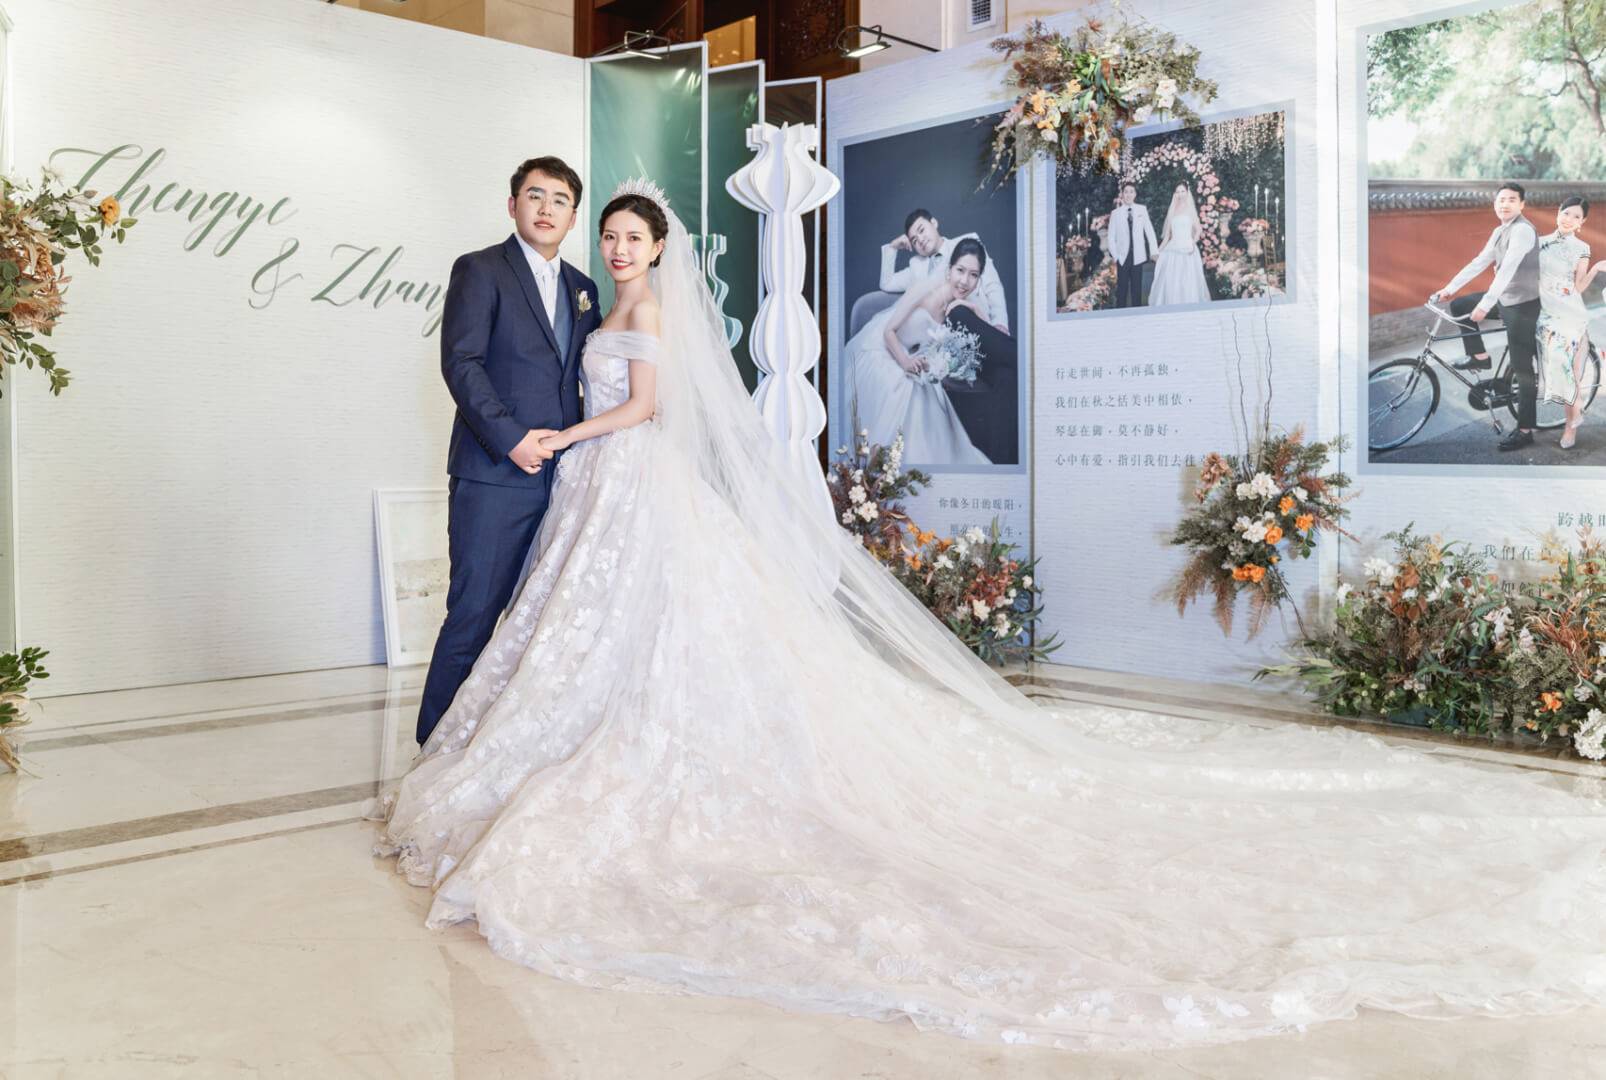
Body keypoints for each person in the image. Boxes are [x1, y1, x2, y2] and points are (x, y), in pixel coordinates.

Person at [374, 177, 1606, 1053]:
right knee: (568, 628)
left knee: (642, 632)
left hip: (610, 469)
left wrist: (570, 432)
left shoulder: (642, 310)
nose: (618, 246)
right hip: (581, 483)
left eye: (631, 233)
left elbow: (646, 411)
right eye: (609, 231)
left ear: (657, 247)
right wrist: (562, 439)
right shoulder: (577, 294)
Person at [415, 156, 602, 745]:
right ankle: (434, 748)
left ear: (573, 216)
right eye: (535, 196)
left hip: (565, 479)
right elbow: (462, 363)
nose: (547, 209)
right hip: (494, 474)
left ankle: (496, 747)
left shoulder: (583, 289)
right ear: (512, 204)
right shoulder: (480, 269)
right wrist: (512, 440)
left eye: (560, 200)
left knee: (538, 623)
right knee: (473, 613)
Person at [846, 240, 990, 465]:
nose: (964, 281)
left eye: (973, 275)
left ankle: (922, 466)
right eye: (960, 270)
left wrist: (973, 307)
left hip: (911, 360)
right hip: (882, 350)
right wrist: (905, 362)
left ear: (979, 279)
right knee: (903, 388)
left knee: (924, 391)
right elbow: (889, 331)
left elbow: (979, 340)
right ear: (949, 270)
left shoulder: (960, 309)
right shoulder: (924, 290)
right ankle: (889, 464)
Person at [1431, 182, 1541, 452]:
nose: (1505, 204)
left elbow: (1507, 271)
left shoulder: (1523, 230)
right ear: (1495, 204)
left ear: (1522, 205)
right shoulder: (1499, 231)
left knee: (1523, 369)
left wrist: (1485, 304)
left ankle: (1525, 430)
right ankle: (1480, 357)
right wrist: (1449, 288)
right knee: (1460, 305)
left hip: (1523, 306)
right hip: (1504, 299)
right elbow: (1479, 262)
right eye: (1501, 199)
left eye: (1512, 200)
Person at [1536, 196, 1606, 449]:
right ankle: (1576, 411)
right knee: (1557, 370)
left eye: (1576, 216)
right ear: (1558, 213)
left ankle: (1570, 427)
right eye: (1566, 213)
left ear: (1582, 222)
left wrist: (1595, 269)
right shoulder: (1539, 243)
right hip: (1545, 312)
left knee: (1569, 374)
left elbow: (1579, 287)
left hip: (1570, 313)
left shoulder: (1582, 248)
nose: (1569, 219)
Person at [880, 209, 1010, 332]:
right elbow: (887, 283)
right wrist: (892, 248)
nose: (920, 239)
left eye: (922, 230)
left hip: (975, 321)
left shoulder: (966, 245)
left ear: (934, 223)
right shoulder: (916, 266)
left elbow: (992, 285)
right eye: (914, 241)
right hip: (937, 335)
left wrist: (1000, 323)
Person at [1147, 183, 1212, 307]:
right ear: (1175, 194)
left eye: (1182, 191)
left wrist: (1193, 243)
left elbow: (1198, 230)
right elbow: (1167, 236)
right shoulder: (1172, 211)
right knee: (1172, 279)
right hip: (1173, 248)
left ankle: (1190, 306)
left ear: (1187, 193)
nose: (1180, 194)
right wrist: (1157, 251)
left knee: (1188, 279)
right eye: (1178, 192)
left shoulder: (1190, 210)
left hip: (1188, 249)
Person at [1106, 182, 1158, 308]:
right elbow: (1111, 237)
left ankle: (1137, 316)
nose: (1128, 194)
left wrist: (1154, 251)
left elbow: (1150, 232)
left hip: (1138, 257)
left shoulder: (1142, 210)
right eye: (1126, 192)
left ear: (1135, 194)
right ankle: (1120, 316)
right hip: (1122, 257)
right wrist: (1116, 256)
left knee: (1137, 291)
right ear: (1122, 194)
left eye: (1131, 191)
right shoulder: (1115, 213)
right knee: (1121, 291)